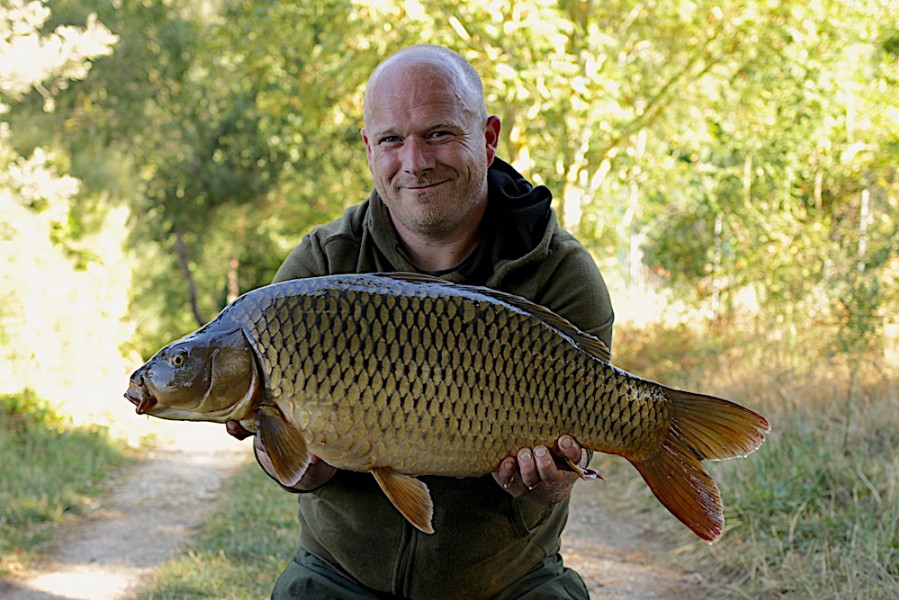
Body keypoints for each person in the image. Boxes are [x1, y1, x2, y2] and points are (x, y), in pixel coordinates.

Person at [231, 44, 614, 599]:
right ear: (369, 149)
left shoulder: (561, 273)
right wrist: (298, 464)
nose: (414, 161)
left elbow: (575, 453)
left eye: (438, 133)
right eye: (391, 139)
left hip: (506, 580)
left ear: (487, 137)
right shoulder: (317, 270)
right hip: (342, 575)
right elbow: (297, 473)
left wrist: (549, 482)